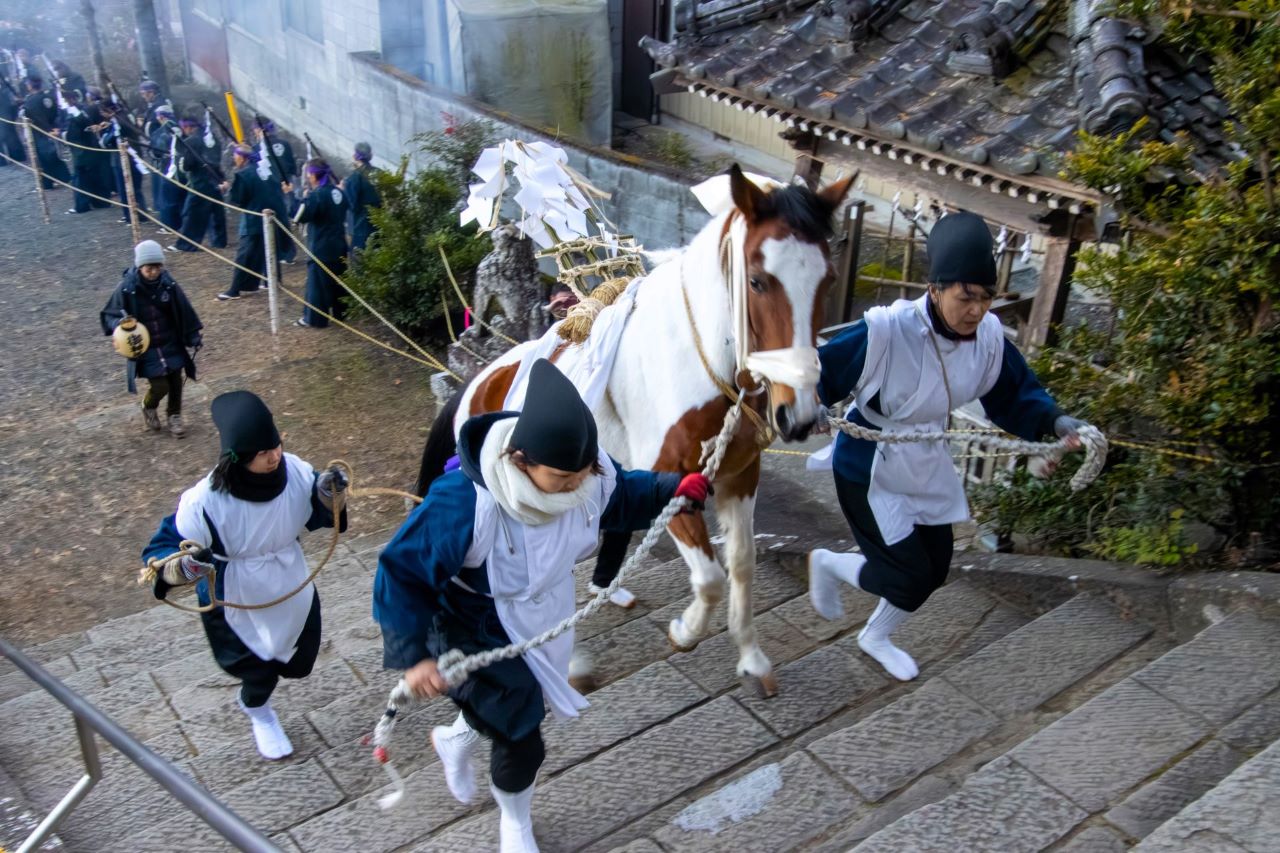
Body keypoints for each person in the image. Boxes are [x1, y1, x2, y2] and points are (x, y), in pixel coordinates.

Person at [375, 359, 711, 853]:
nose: (576, 486)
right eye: (560, 477)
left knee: (513, 705)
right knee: (522, 730)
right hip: (471, 623)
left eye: (583, 474)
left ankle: (455, 740)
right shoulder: (465, 502)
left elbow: (623, 494)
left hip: (544, 614)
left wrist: (670, 490)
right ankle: (515, 821)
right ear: (519, 459)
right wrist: (414, 655)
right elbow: (401, 571)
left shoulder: (587, 474)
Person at [806, 211, 1092, 682]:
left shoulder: (989, 340)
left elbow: (1016, 395)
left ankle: (874, 634)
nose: (977, 310)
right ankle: (830, 565)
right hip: (870, 464)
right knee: (907, 571)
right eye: (966, 297)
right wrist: (813, 402)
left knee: (935, 569)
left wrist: (1058, 422)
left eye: (986, 297)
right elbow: (819, 369)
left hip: (926, 458)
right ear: (935, 289)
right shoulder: (887, 329)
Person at [142, 391, 349, 759]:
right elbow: (164, 549)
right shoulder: (204, 502)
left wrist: (329, 493)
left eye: (275, 446)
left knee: (299, 659)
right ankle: (258, 711)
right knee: (258, 668)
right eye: (261, 453)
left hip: (289, 578)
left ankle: (262, 695)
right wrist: (182, 567)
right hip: (235, 590)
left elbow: (318, 508)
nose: (273, 457)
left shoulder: (296, 471)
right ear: (237, 457)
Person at [100, 240, 203, 437]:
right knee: (160, 385)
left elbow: (184, 310)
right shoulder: (126, 288)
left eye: (157, 267)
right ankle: (148, 406)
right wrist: (119, 325)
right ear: (140, 266)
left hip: (170, 342)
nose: (154, 271)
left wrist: (192, 335)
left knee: (175, 382)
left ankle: (175, 416)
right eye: (149, 268)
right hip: (146, 348)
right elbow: (109, 315)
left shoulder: (169, 285)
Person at [218, 144, 280, 300]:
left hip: (253, 218)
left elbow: (238, 198)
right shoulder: (264, 170)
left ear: (242, 157)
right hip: (269, 216)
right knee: (260, 252)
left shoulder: (244, 174)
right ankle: (253, 284)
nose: (234, 158)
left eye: (235, 155)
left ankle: (234, 289)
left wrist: (228, 189)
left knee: (244, 255)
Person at [293, 159, 348, 328]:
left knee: (317, 285)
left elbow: (299, 217)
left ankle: (315, 319)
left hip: (321, 247)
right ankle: (342, 313)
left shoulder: (317, 195)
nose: (308, 177)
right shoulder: (338, 193)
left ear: (315, 175)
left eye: (309, 173)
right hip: (339, 244)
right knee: (338, 282)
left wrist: (293, 196)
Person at [170, 116, 227, 252]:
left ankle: (186, 244)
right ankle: (219, 241)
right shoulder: (213, 140)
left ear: (188, 127)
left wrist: (181, 164)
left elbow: (188, 165)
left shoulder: (191, 141)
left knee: (193, 214)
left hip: (200, 182)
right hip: (215, 179)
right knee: (216, 212)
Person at [253, 117, 298, 263]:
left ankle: (281, 252)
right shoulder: (284, 144)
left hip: (270, 187)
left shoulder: (259, 147)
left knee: (274, 220)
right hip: (286, 184)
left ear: (260, 130)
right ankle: (289, 253)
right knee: (283, 218)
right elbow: (292, 165)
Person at [97, 98, 149, 223]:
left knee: (127, 189)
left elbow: (107, 141)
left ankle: (132, 216)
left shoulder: (118, 121)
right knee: (135, 188)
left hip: (125, 158)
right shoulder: (125, 116)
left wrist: (101, 134)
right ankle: (138, 213)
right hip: (134, 155)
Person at [62, 89, 112, 213]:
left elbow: (86, 124)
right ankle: (99, 201)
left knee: (82, 178)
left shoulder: (82, 111)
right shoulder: (72, 112)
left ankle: (85, 205)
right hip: (81, 149)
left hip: (85, 149)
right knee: (91, 176)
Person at [19, 74, 71, 187]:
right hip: (51, 128)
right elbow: (54, 112)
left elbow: (31, 116)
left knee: (45, 157)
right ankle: (62, 177)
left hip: (40, 132)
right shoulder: (48, 97)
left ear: (31, 86)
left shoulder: (31, 101)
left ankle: (50, 181)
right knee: (51, 155)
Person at [148, 104, 186, 231]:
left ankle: (169, 225)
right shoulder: (180, 127)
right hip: (180, 166)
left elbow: (156, 151)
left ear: (161, 117)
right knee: (179, 197)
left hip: (168, 167)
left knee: (168, 198)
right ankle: (179, 223)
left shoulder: (162, 132)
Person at [340, 141, 381, 254]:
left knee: (359, 263)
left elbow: (351, 205)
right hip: (380, 226)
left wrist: (343, 190)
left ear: (355, 156)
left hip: (362, 229)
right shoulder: (379, 173)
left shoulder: (354, 177)